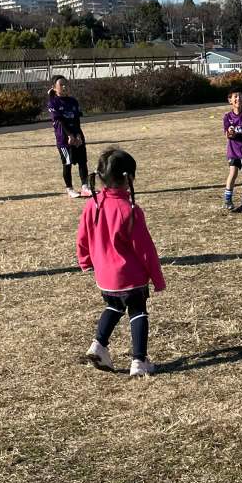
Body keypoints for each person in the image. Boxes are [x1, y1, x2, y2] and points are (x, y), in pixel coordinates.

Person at [78, 148, 165, 377]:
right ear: (129, 178)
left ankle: (98, 345)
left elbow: (82, 236)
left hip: (105, 277)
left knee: (114, 307)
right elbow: (145, 249)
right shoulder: (130, 210)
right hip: (131, 276)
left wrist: (85, 260)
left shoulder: (92, 205)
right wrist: (157, 278)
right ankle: (139, 361)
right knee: (138, 312)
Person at [47, 75, 91, 198]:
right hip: (64, 139)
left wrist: (78, 135)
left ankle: (85, 187)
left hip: (77, 135)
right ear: (54, 87)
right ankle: (70, 189)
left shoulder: (73, 101)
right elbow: (60, 121)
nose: (64, 87)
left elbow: (76, 119)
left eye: (66, 84)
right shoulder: (53, 103)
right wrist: (70, 135)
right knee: (67, 163)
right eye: (61, 85)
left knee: (83, 161)